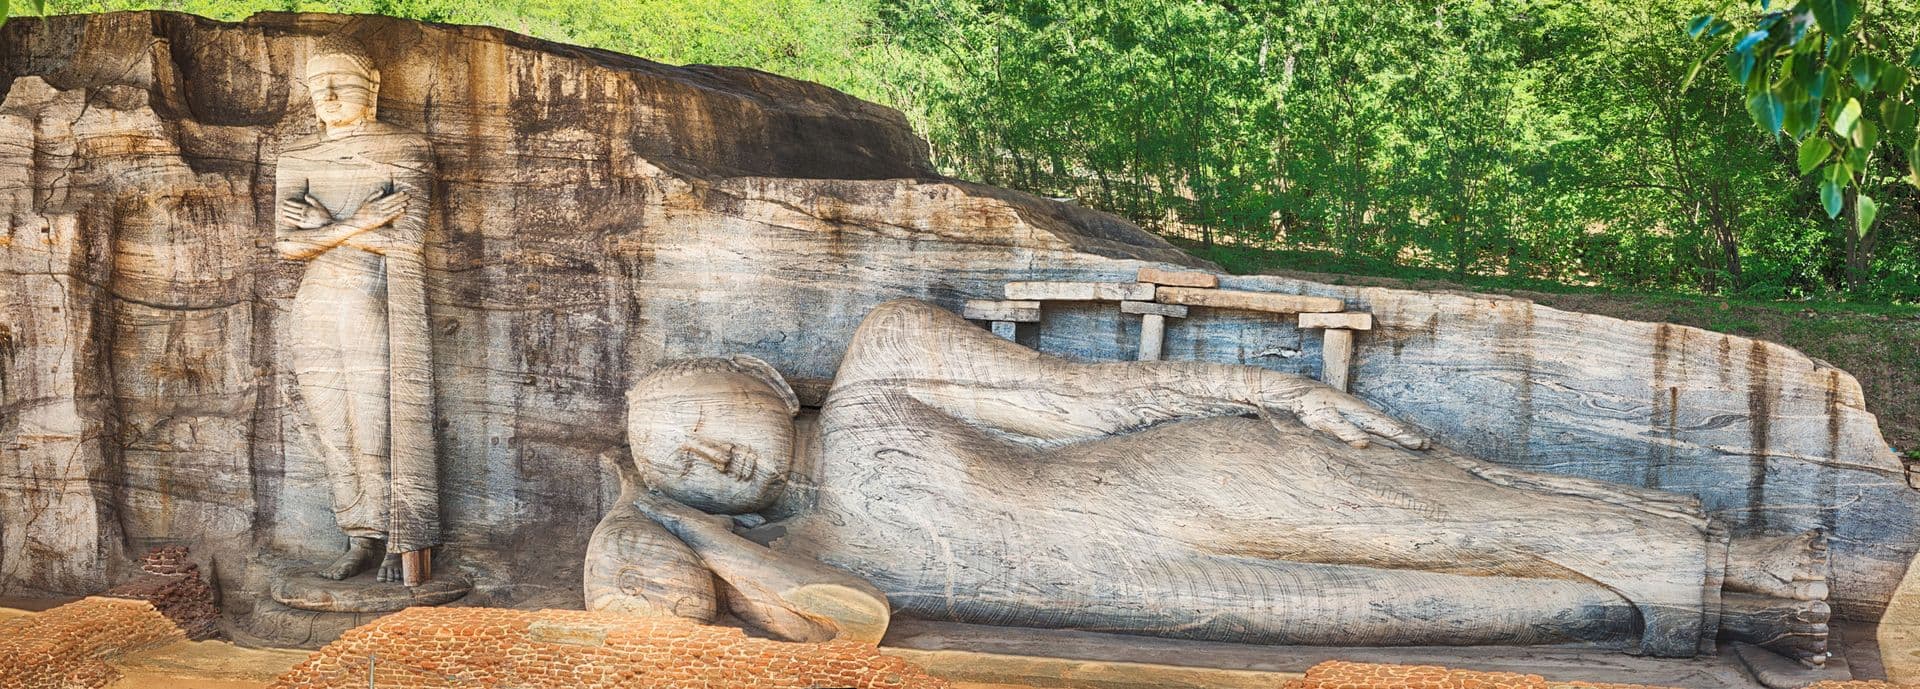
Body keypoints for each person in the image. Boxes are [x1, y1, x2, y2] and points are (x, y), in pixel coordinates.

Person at [595, 298, 1831, 665]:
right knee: (1454, 606)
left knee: (1454, 518)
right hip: (1159, 586)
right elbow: (819, 620)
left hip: (1182, 481)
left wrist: (1278, 392)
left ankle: (1759, 565)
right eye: (684, 467)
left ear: (759, 373)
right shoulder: (800, 559)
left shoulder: (881, 364)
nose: (715, 457)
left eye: (705, 420)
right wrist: (649, 520)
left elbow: (1090, 398)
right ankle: (1711, 610)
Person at [274, 34, 438, 584]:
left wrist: (324, 227)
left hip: (372, 300)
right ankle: (359, 536)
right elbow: (287, 245)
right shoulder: (298, 157)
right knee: (333, 429)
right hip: (315, 304)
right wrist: (359, 222)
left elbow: (408, 240)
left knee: (376, 425)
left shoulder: (403, 148)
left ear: (372, 86)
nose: (327, 95)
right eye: (317, 85)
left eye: (339, 83)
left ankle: (397, 537)